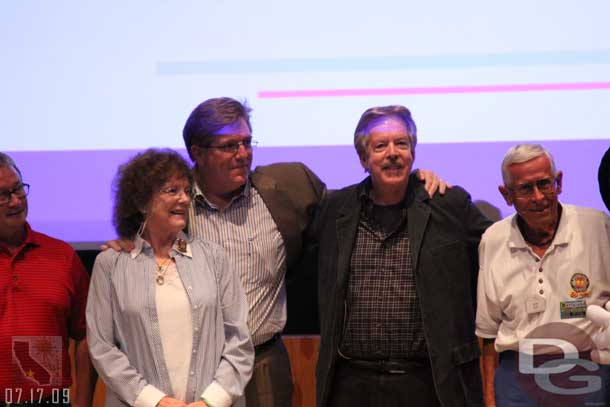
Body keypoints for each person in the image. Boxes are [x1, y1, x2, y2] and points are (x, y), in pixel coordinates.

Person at [108, 97, 447, 407]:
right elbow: (139, 235)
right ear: (197, 152)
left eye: (246, 142)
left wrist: (410, 182)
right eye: (228, 146)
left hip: (263, 362)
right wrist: (128, 239)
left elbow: (355, 207)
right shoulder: (172, 206)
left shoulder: (286, 187)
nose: (242, 154)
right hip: (189, 366)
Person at [313, 105, 491, 407]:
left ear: (413, 153)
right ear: (363, 159)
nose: (393, 153)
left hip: (429, 382)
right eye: (380, 146)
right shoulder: (335, 209)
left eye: (402, 144)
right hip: (351, 384)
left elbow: (500, 247)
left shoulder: (448, 204)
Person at [87, 149, 253, 407]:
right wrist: (155, 401)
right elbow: (102, 347)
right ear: (142, 203)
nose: (185, 199)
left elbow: (239, 339)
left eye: (187, 190)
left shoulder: (213, 257)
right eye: (172, 190)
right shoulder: (111, 265)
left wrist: (211, 402)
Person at [476, 144, 610, 407]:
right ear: (506, 195)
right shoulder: (493, 239)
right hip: (516, 376)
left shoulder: (598, 226)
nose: (538, 197)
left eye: (545, 184)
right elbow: (488, 335)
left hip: (587, 370)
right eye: (526, 189)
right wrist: (490, 401)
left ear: (559, 182)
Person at [0, 152, 95, 407]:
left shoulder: (61, 255)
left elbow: (87, 334)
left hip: (48, 398)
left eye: (18, 189)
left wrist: (83, 402)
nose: (16, 201)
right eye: (3, 195)